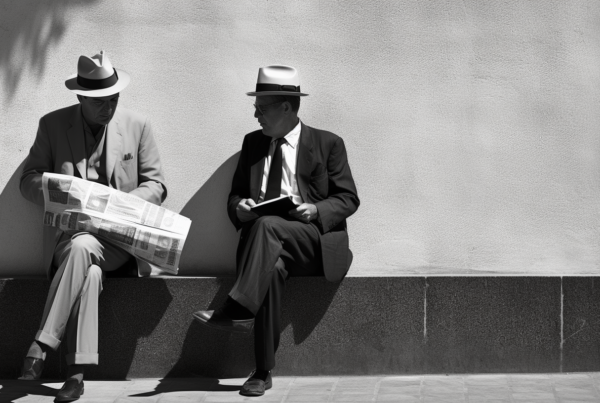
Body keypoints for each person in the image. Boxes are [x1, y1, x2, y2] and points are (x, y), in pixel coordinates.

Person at [193, 65, 359, 397]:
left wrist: (315, 209)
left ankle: (237, 309)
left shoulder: (328, 143)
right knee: (272, 268)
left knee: (268, 226)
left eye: (262, 107)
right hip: (268, 246)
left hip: (312, 240)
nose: (256, 115)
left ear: (286, 107)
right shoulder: (253, 144)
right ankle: (262, 371)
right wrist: (238, 208)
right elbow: (236, 194)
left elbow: (348, 198)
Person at [19, 50, 167, 402]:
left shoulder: (138, 125)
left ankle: (41, 344)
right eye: (100, 101)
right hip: (70, 242)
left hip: (121, 242)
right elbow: (28, 180)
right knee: (89, 266)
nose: (109, 106)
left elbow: (157, 185)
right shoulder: (52, 125)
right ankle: (76, 375)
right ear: (81, 97)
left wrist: (123, 203)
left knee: (88, 251)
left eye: (114, 98)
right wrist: (58, 190)